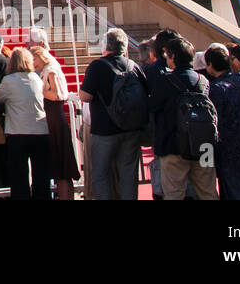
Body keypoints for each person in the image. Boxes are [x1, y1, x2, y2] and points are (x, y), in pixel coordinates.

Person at [79, 28, 147, 200]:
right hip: (131, 128)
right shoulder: (133, 66)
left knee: (101, 174)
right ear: (124, 48)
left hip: (105, 130)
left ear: (105, 45)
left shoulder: (97, 66)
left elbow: (85, 96)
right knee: (128, 174)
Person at [150, 37, 219, 201]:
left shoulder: (164, 80)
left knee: (174, 193)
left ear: (173, 56)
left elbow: (153, 106)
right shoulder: (203, 81)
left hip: (173, 144)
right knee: (208, 191)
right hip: (204, 143)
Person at [204, 45, 240, 200]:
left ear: (210, 64)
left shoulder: (216, 89)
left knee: (232, 190)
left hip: (227, 148)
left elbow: (214, 121)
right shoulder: (239, 80)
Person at [0, 48, 50, 199]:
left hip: (18, 132)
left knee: (19, 177)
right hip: (40, 131)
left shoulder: (9, 81)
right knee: (41, 176)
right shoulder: (36, 78)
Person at [30, 44, 79, 200]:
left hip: (55, 121)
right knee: (60, 168)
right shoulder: (49, 69)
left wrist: (38, 89)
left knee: (61, 168)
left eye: (34, 59)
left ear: (41, 56)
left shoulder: (50, 70)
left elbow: (58, 95)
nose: (33, 63)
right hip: (53, 120)